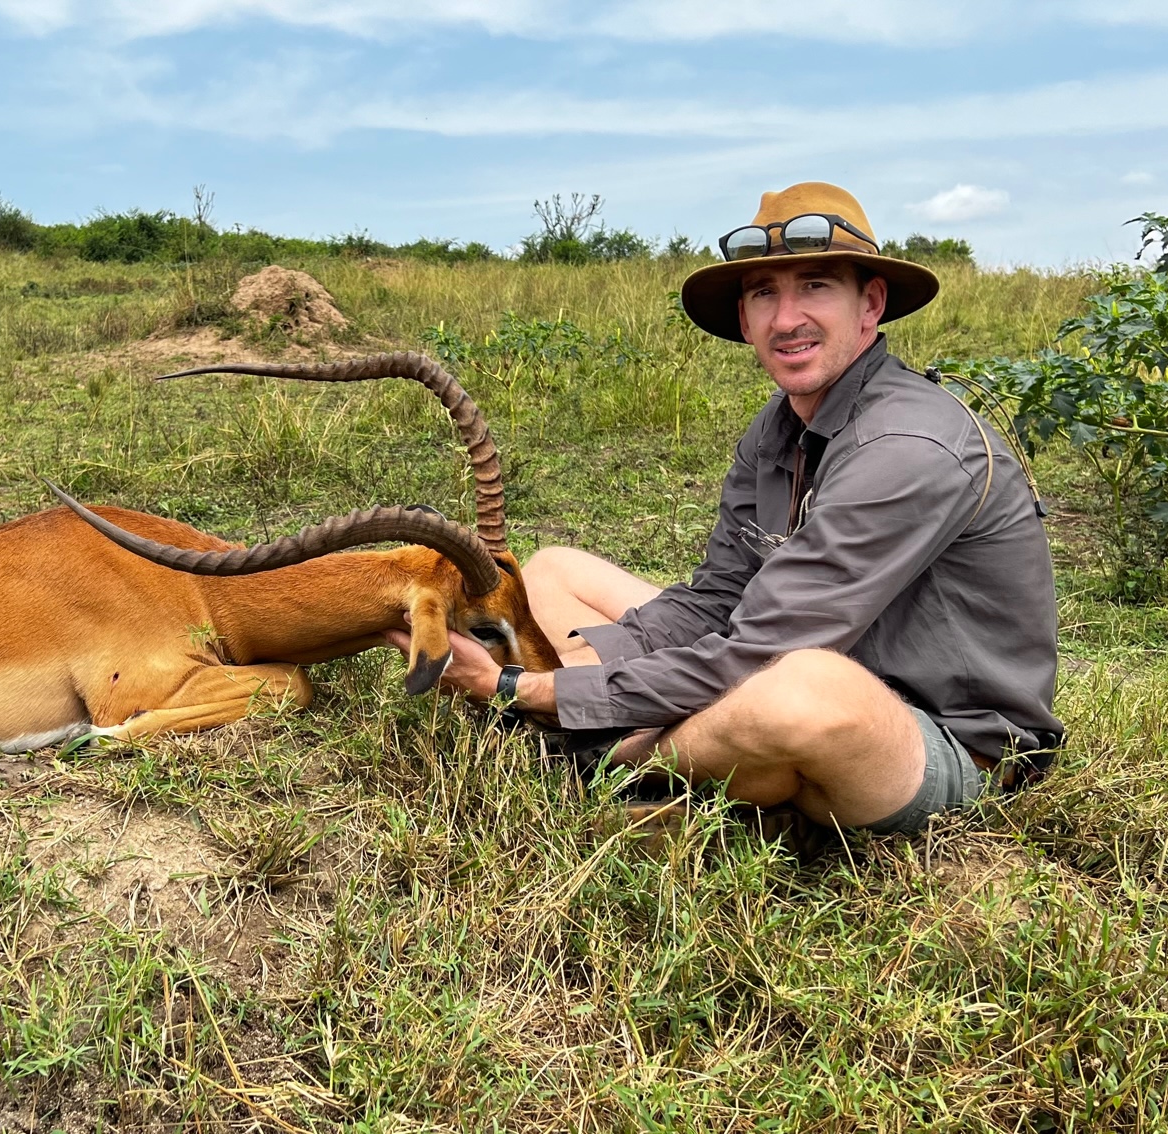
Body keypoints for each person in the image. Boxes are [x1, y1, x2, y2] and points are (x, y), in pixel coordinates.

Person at [389, 182, 1064, 834]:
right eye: (764, 292)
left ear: (871, 304)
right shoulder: (780, 424)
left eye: (816, 286)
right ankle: (716, 764)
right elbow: (718, 600)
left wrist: (523, 690)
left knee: (804, 689)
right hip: (789, 656)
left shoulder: (908, 446)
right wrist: (593, 669)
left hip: (937, 738)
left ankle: (604, 758)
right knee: (555, 571)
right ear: (743, 318)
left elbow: (766, 647)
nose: (786, 319)